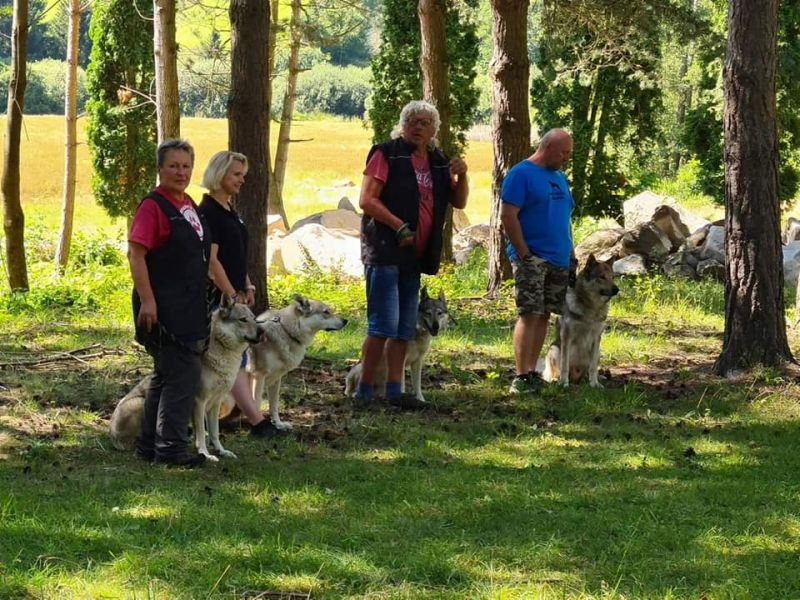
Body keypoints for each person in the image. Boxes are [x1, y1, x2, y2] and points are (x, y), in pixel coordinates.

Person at [355, 99, 469, 407]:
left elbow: (458, 202)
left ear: (434, 129)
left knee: (404, 327)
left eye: (425, 122)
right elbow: (367, 200)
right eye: (412, 121)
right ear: (402, 125)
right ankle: (364, 390)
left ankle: (395, 391)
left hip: (416, 256)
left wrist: (462, 175)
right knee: (382, 325)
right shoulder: (386, 153)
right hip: (384, 251)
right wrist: (398, 226)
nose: (418, 127)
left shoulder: (438, 160)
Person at [128, 138, 209, 467]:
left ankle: (149, 445)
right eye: (173, 166)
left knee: (165, 375)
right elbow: (136, 254)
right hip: (163, 305)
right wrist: (148, 301)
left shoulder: (187, 203)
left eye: (186, 166)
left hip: (188, 303)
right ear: (160, 168)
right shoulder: (153, 207)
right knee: (183, 375)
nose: (181, 172)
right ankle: (172, 450)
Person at [198, 150, 281, 438]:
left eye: (243, 175)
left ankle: (239, 414)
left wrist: (247, 285)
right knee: (230, 359)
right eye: (236, 174)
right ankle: (257, 422)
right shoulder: (208, 212)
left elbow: (237, 255)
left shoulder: (230, 209)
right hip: (218, 300)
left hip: (236, 296)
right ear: (219, 174)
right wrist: (232, 296)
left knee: (239, 358)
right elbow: (212, 262)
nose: (242, 180)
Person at [500, 128, 575, 395]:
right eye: (564, 153)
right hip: (532, 257)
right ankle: (520, 375)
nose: (566, 158)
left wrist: (571, 252)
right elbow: (508, 215)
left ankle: (532, 372)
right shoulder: (521, 174)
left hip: (559, 258)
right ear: (548, 147)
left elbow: (565, 217)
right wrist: (524, 255)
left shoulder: (560, 178)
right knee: (529, 313)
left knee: (544, 314)